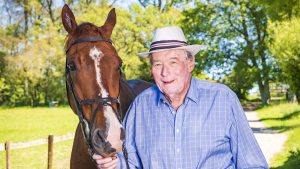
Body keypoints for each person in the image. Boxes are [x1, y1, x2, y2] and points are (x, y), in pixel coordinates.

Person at [93, 26, 269, 169]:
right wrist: (114, 164)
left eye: (173, 62)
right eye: (158, 64)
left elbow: (253, 164)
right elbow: (131, 163)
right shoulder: (140, 106)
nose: (165, 72)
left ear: (190, 63)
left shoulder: (223, 99)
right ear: (151, 69)